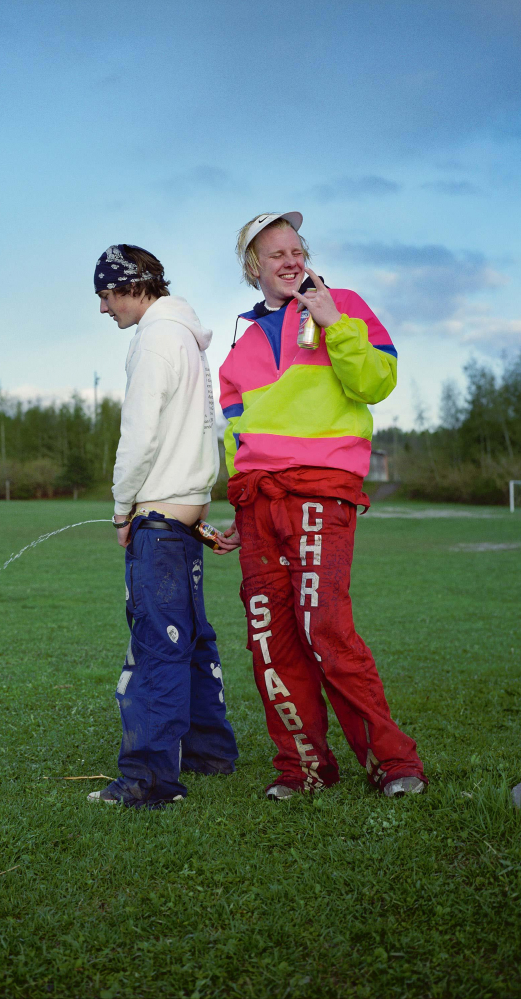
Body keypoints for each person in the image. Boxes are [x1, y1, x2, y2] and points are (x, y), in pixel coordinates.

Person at [218, 212, 427, 799]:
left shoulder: (346, 305)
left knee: (324, 629)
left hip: (320, 492)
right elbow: (237, 435)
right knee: (271, 641)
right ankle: (304, 768)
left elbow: (376, 382)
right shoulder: (240, 341)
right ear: (252, 267)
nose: (290, 261)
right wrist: (237, 506)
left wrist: (334, 322)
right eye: (274, 254)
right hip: (259, 503)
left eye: (296, 250)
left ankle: (393, 763)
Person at [87, 243, 239, 809]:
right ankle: (208, 753)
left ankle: (148, 779)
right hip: (184, 515)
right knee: (192, 640)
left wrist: (122, 508)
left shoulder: (153, 340)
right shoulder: (188, 338)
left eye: (105, 295)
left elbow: (142, 438)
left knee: (156, 646)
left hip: (157, 522)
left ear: (131, 286)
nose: (104, 309)